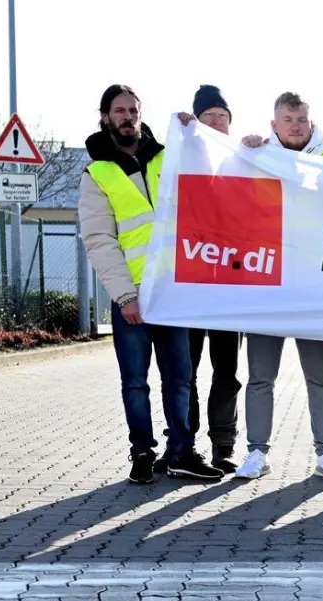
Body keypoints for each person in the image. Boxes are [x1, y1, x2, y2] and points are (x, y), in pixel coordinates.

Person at [78, 84, 221, 485]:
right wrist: (124, 295)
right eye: (120, 110)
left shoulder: (166, 156)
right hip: (133, 296)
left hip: (173, 291)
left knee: (180, 376)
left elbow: (209, 179)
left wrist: (197, 134)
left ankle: (182, 451)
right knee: (136, 381)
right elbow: (100, 240)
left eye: (134, 110)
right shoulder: (97, 174)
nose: (128, 117)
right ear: (105, 116)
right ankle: (142, 452)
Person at [233, 92, 323, 482]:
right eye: (288, 119)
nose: (296, 126)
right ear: (274, 125)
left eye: (301, 119)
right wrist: (241, 149)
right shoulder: (257, 156)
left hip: (313, 289)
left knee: (320, 378)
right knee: (259, 377)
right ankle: (256, 452)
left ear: (310, 121)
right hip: (267, 284)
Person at [174, 84, 242, 473]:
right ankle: (187, 442)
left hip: (230, 287)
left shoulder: (241, 159)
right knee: (188, 369)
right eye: (208, 116)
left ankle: (224, 444)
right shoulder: (181, 154)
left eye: (222, 116)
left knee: (227, 371)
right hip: (191, 284)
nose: (216, 121)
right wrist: (180, 131)